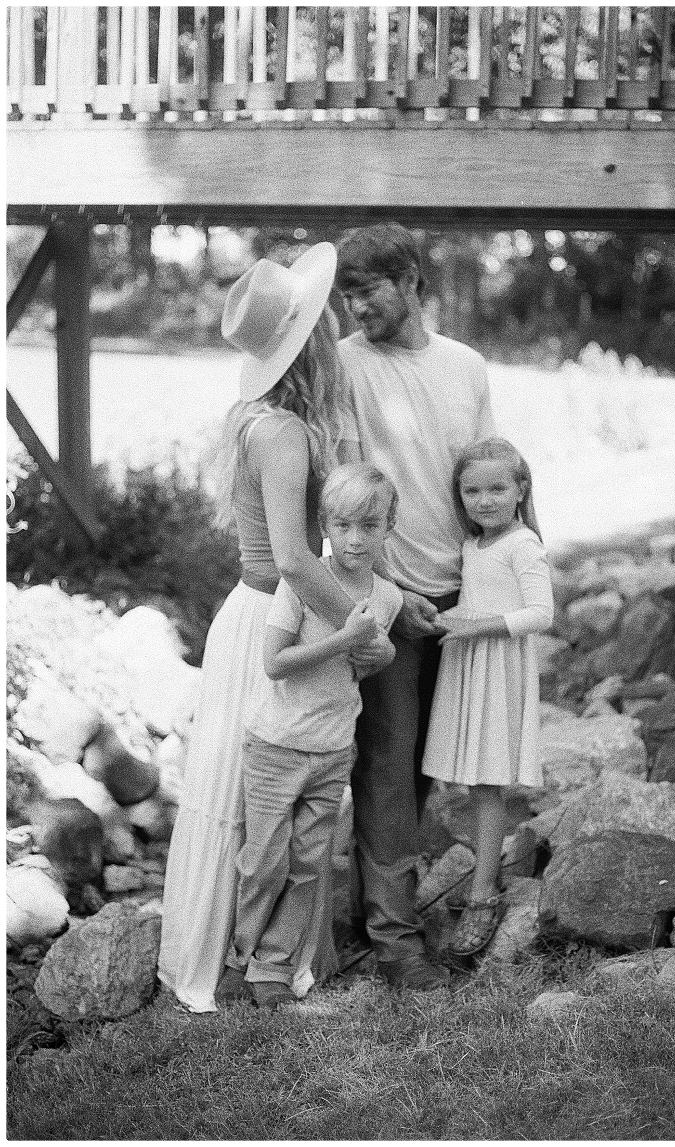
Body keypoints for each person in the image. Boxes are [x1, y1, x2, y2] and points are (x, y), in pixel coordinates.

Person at [158, 244, 392, 1013]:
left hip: (259, 608)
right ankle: (243, 961)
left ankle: (263, 956)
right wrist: (357, 632)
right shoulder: (285, 432)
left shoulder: (269, 418)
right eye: (330, 318)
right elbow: (293, 558)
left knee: (255, 800)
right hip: (274, 614)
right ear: (315, 336)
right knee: (260, 805)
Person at [335, 223, 496, 989]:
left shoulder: (465, 366)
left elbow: (487, 479)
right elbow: (341, 495)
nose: (355, 307)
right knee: (387, 770)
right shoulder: (345, 366)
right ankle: (395, 943)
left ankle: (375, 903)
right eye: (347, 294)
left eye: (367, 290)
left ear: (410, 280)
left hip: (461, 600)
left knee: (432, 768)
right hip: (388, 601)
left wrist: (504, 584)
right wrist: (390, 599)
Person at [218, 464, 403, 1007]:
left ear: (387, 528)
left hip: (332, 746)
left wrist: (380, 654)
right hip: (276, 744)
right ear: (324, 524)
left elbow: (358, 668)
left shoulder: (386, 598)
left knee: (307, 864)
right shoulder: (300, 584)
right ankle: (237, 956)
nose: (354, 539)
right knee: (263, 859)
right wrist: (345, 637)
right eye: (343, 525)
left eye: (369, 526)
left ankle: (272, 968)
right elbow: (276, 663)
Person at [421, 438, 554, 959]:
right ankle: (482, 872)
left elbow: (541, 613)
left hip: (498, 667)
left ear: (521, 489)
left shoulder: (523, 545)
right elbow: (476, 599)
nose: (486, 499)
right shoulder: (475, 545)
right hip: (472, 664)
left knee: (488, 782)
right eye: (472, 490)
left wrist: (478, 627)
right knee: (474, 780)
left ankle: (483, 894)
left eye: (498, 487)